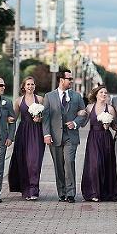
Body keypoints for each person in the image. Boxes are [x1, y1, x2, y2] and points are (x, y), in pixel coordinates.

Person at [42, 70, 87, 203]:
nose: (72, 81)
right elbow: (46, 117)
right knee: (58, 165)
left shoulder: (77, 96)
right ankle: (61, 192)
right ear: (61, 80)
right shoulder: (49, 96)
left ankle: (71, 193)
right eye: (69, 79)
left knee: (69, 162)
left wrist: (75, 122)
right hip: (55, 136)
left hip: (70, 136)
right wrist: (47, 134)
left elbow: (83, 114)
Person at [8, 77, 46, 201]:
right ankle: (26, 190)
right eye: (28, 84)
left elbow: (46, 118)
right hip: (23, 132)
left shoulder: (40, 99)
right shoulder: (19, 101)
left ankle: (34, 189)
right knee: (24, 161)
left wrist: (39, 119)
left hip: (37, 132)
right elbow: (14, 117)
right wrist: (9, 120)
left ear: (35, 86)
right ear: (23, 86)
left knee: (34, 161)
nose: (30, 86)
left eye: (32, 84)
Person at [79, 86, 117, 202]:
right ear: (96, 94)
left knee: (106, 164)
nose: (103, 94)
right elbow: (83, 124)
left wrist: (109, 125)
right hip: (93, 138)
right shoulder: (89, 107)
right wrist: (81, 113)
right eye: (101, 92)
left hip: (106, 138)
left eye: (105, 93)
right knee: (95, 164)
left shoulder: (110, 109)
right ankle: (93, 192)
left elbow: (116, 126)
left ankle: (106, 193)